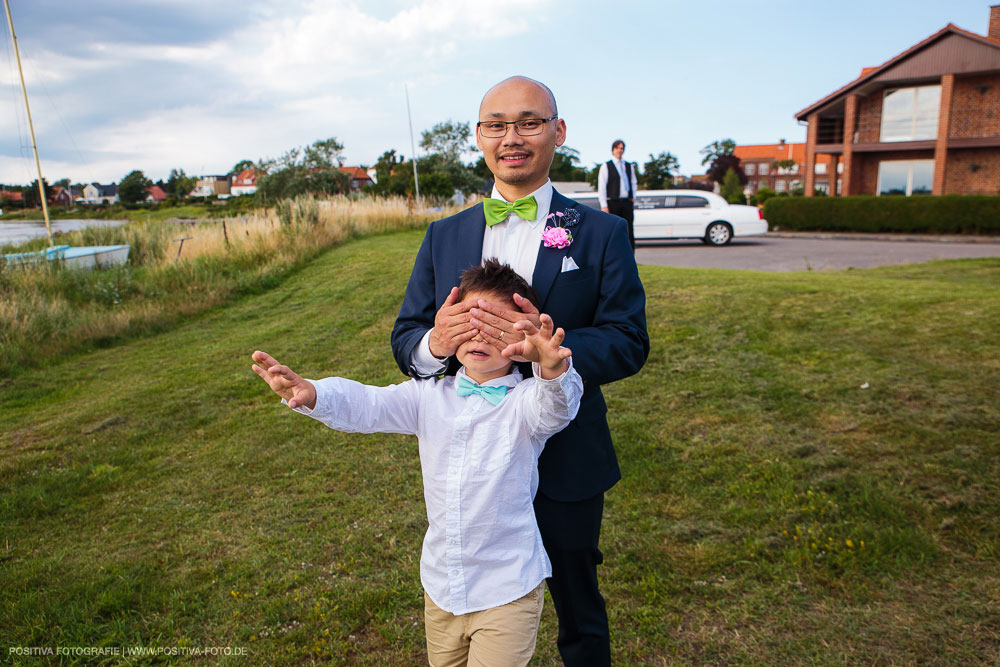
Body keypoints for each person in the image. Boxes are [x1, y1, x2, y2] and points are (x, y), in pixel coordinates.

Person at [392, 76, 649, 666]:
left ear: (558, 132)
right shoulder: (443, 235)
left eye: (530, 122)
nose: (513, 137)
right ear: (479, 137)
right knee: (476, 607)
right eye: (497, 125)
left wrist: (552, 353)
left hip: (566, 455)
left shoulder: (602, 232)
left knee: (578, 603)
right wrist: (436, 342)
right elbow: (406, 338)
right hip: (474, 467)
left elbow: (629, 340)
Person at [253, 260, 584, 667]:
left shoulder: (525, 403)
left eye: (493, 325)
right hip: (442, 585)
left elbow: (558, 406)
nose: (478, 335)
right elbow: (369, 404)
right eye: (468, 321)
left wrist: (552, 367)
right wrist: (314, 393)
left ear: (521, 336)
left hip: (507, 588)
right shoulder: (428, 395)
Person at [597, 140, 639, 251]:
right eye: (618, 148)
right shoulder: (606, 166)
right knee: (613, 230)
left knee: (629, 230)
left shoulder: (629, 166)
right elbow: (602, 186)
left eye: (622, 148)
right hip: (612, 202)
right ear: (613, 150)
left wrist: (633, 197)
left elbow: (634, 183)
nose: (620, 150)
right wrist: (604, 205)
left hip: (626, 202)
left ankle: (630, 257)